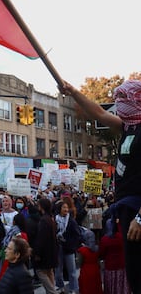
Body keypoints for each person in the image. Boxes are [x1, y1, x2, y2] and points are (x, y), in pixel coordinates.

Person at [63, 80, 141, 293]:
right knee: (134, 273)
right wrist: (73, 91)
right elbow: (98, 113)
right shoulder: (128, 127)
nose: (119, 103)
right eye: (118, 99)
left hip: (138, 211)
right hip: (127, 209)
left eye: (124, 98)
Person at [54, 201, 81, 294]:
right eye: (63, 207)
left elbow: (77, 235)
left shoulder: (71, 221)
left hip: (69, 248)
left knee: (72, 271)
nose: (66, 209)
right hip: (58, 248)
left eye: (66, 207)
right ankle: (60, 286)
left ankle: (73, 288)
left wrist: (72, 245)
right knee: (58, 270)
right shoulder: (55, 220)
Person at [99, 218, 131, 294]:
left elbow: (101, 254)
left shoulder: (104, 239)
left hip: (110, 267)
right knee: (122, 287)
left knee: (111, 287)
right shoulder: (122, 236)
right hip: (122, 266)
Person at [33, 198, 58, 294]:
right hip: (51, 251)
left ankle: (52, 291)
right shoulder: (50, 218)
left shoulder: (44, 220)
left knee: (41, 272)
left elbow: (41, 238)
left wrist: (37, 253)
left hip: (45, 252)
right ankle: (52, 290)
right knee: (49, 272)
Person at [76, 227, 103, 294]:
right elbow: (99, 260)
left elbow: (79, 263)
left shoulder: (82, 250)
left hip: (86, 271)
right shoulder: (97, 249)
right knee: (95, 287)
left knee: (86, 288)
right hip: (95, 270)